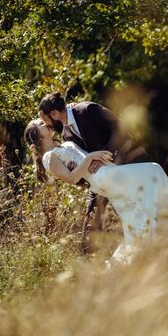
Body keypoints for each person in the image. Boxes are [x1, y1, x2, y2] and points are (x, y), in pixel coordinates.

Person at [24, 118, 168, 263]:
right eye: (39, 124)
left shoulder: (61, 143)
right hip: (101, 177)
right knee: (153, 171)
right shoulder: (48, 157)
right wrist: (90, 158)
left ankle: (127, 263)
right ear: (37, 136)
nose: (43, 122)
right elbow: (72, 178)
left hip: (106, 172)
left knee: (134, 216)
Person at [37, 92, 147, 253]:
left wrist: (104, 156)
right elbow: (81, 163)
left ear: (54, 114)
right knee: (91, 220)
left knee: (138, 209)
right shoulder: (66, 135)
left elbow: (121, 128)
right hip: (100, 178)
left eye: (46, 120)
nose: (47, 124)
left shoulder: (88, 109)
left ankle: (148, 241)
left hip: (128, 162)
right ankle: (89, 258)